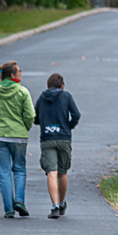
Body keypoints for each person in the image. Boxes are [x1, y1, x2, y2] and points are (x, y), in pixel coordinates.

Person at [0, 61, 35, 218]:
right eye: (19, 71)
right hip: (18, 136)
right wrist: (24, 127)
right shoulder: (23, 92)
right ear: (12, 75)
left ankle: (9, 209)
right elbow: (30, 115)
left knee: (3, 173)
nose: (21, 73)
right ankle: (19, 200)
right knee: (19, 169)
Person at [33, 73, 80, 219]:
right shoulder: (66, 96)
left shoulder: (42, 98)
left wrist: (45, 124)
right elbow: (76, 115)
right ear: (62, 86)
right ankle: (62, 203)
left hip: (47, 138)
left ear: (47, 86)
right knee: (62, 172)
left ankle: (54, 206)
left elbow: (35, 118)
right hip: (64, 137)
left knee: (51, 172)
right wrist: (68, 126)